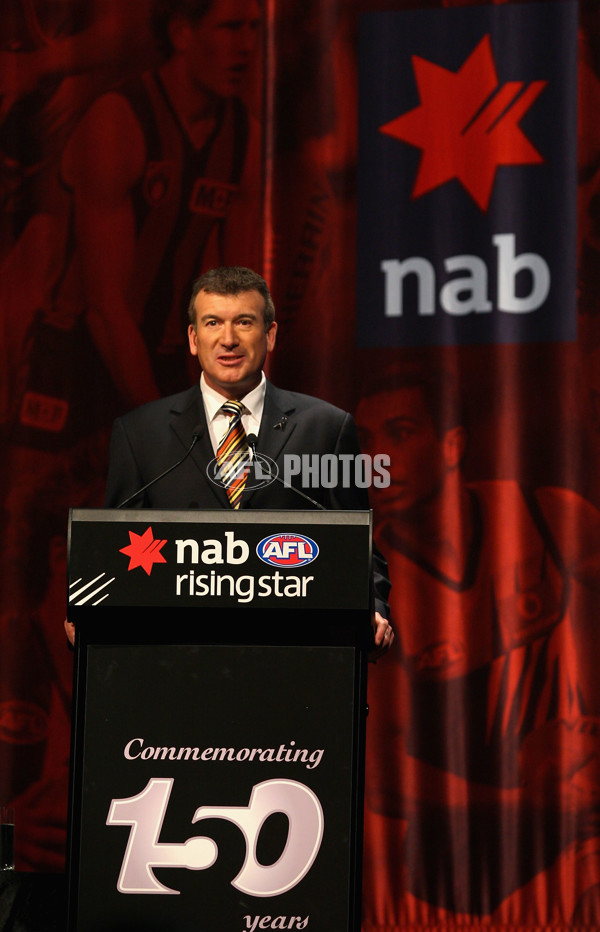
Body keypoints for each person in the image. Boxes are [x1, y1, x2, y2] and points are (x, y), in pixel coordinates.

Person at [355, 362, 600, 923]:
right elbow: (383, 774)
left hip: (578, 824)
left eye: (400, 434)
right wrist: (529, 804)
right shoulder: (372, 586)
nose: (379, 463)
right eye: (366, 443)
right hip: (462, 862)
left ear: (452, 445)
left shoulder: (548, 516)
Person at [65, 266, 393, 657]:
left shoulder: (327, 428)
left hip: (292, 658)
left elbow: (358, 547)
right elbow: (116, 550)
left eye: (244, 322)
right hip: (176, 664)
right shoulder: (139, 434)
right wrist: (90, 611)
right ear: (193, 338)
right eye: (213, 322)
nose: (228, 339)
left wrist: (373, 609)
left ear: (270, 335)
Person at [59, 0, 263, 409]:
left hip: (170, 354)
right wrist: (161, 426)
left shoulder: (245, 138)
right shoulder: (119, 121)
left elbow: (239, 298)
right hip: (74, 352)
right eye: (229, 28)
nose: (247, 45)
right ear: (181, 34)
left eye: (254, 28)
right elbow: (105, 307)